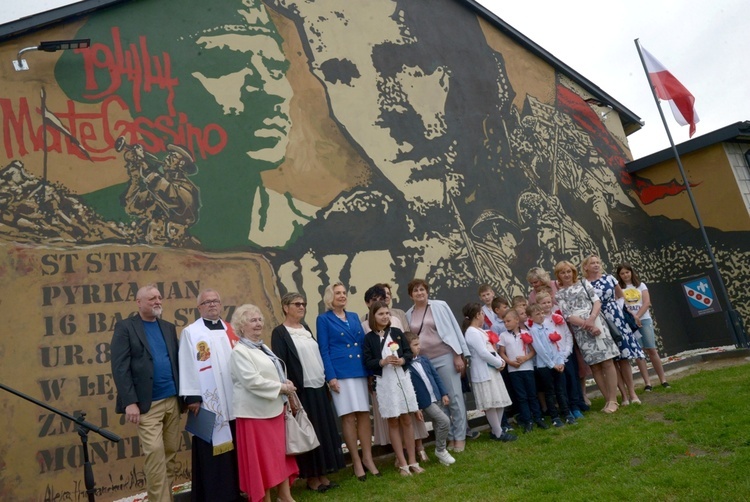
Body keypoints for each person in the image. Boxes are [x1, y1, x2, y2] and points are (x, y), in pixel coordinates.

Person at [111, 284, 181, 502]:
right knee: (155, 455)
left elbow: (178, 362)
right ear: (139, 302)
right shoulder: (125, 327)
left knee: (169, 453)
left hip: (173, 401)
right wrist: (130, 402)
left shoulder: (168, 327)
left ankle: (163, 497)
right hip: (147, 405)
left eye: (159, 297)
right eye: (151, 298)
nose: (157, 301)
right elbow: (119, 367)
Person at [270, 292, 344, 493]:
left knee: (322, 431)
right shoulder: (280, 333)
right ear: (286, 307)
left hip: (319, 387)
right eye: (297, 304)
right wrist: (290, 394)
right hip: (301, 391)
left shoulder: (306, 329)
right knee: (307, 432)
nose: (302, 307)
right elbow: (280, 364)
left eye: (304, 303)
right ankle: (311, 478)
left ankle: (323, 474)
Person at [178, 289, 242, 502]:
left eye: (216, 301)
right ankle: (215, 495)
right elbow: (186, 364)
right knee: (211, 450)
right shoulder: (191, 332)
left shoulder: (231, 330)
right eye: (207, 302)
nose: (212, 305)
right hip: (207, 402)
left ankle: (236, 491)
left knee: (236, 447)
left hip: (234, 401)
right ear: (199, 307)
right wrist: (192, 397)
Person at [230, 304, 298, 502]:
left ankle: (285, 496)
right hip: (255, 415)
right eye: (252, 320)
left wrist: (284, 382)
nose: (258, 323)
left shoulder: (261, 346)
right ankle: (264, 498)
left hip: (274, 410)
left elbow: (271, 373)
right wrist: (281, 387)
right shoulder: (240, 352)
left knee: (279, 456)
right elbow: (252, 381)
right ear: (242, 327)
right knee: (262, 461)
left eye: (259, 319)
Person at [316, 282, 380, 480]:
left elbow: (363, 345)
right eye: (338, 293)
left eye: (344, 293)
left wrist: (369, 372)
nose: (342, 296)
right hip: (340, 373)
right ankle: (356, 461)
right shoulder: (323, 319)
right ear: (330, 296)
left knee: (363, 414)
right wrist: (331, 376)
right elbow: (324, 350)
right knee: (348, 417)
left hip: (359, 370)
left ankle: (368, 458)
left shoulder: (353, 316)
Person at [405, 278, 470, 452]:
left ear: (427, 291)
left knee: (454, 397)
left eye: (422, 289)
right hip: (425, 362)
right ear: (411, 295)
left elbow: (454, 329)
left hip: (446, 356)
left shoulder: (440, 305)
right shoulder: (408, 314)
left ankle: (460, 437)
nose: (419, 293)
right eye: (415, 290)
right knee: (439, 403)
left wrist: (458, 355)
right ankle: (447, 437)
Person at [363, 301, 424, 476]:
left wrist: (403, 360)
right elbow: (368, 362)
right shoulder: (369, 338)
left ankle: (413, 461)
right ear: (373, 317)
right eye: (381, 314)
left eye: (387, 313)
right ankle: (402, 463)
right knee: (393, 421)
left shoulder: (397, 333)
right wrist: (382, 362)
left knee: (407, 419)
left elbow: (407, 352)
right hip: (385, 383)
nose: (385, 316)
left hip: (402, 380)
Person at [554, 260, 620, 413]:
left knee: (607, 361)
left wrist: (591, 319)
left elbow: (597, 302)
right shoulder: (559, 294)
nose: (566, 274)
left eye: (569, 271)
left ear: (573, 272)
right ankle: (607, 399)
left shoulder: (584, 283)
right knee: (595, 366)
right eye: (562, 272)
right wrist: (587, 325)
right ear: (558, 275)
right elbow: (568, 316)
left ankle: (613, 400)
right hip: (581, 331)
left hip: (597, 322)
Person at [583, 255, 645, 406]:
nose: (596, 265)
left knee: (623, 358)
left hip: (616, 318)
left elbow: (621, 296)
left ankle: (632, 393)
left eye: (598, 262)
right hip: (600, 319)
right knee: (611, 359)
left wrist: (621, 310)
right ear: (586, 267)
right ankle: (623, 396)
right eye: (592, 263)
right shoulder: (584, 284)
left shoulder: (609, 278)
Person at [462, 303, 517, 442]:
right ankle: (498, 432)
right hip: (484, 371)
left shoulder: (480, 330)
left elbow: (491, 349)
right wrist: (498, 363)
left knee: (499, 401)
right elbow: (482, 353)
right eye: (482, 313)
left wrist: (500, 361)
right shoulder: (471, 332)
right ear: (477, 315)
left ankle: (496, 429)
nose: (484, 315)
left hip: (492, 368)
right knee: (491, 403)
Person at [404, 331, 456, 466]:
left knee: (438, 423)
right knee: (444, 421)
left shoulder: (424, 359)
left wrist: (443, 393)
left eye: (418, 343)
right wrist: (416, 407)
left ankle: (441, 457)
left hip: (436, 395)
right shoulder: (405, 366)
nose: (419, 347)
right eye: (415, 345)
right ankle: (441, 450)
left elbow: (435, 376)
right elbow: (409, 389)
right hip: (425, 401)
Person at [616, 263, 670, 391]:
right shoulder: (618, 288)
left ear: (632, 272)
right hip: (630, 323)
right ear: (619, 275)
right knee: (639, 353)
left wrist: (638, 316)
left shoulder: (641, 285)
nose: (625, 275)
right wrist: (632, 317)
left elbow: (646, 302)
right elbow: (619, 305)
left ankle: (663, 379)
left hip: (644, 320)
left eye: (627, 272)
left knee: (651, 349)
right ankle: (647, 383)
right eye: (622, 273)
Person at [536, 290, 587, 418]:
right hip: (554, 359)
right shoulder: (539, 323)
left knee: (572, 380)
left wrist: (566, 352)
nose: (547, 305)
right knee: (560, 384)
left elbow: (567, 335)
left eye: (548, 302)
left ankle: (575, 406)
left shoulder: (558, 317)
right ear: (538, 305)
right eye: (543, 303)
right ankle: (566, 408)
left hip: (565, 354)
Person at [527, 303, 576, 427]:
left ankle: (567, 414)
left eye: (541, 313)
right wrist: (551, 364)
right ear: (531, 318)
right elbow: (540, 349)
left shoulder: (548, 326)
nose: (541, 316)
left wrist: (560, 361)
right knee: (549, 391)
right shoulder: (533, 330)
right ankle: (555, 417)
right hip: (545, 366)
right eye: (537, 314)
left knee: (560, 390)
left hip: (557, 363)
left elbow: (556, 344)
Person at [498, 309, 547, 433]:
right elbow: (501, 352)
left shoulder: (525, 333)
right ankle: (527, 420)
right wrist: (510, 362)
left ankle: (538, 417)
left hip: (527, 368)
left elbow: (533, 350)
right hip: (513, 370)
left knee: (532, 394)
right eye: (504, 322)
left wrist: (525, 358)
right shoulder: (503, 336)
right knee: (521, 396)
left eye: (508, 321)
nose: (506, 324)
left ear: (516, 320)